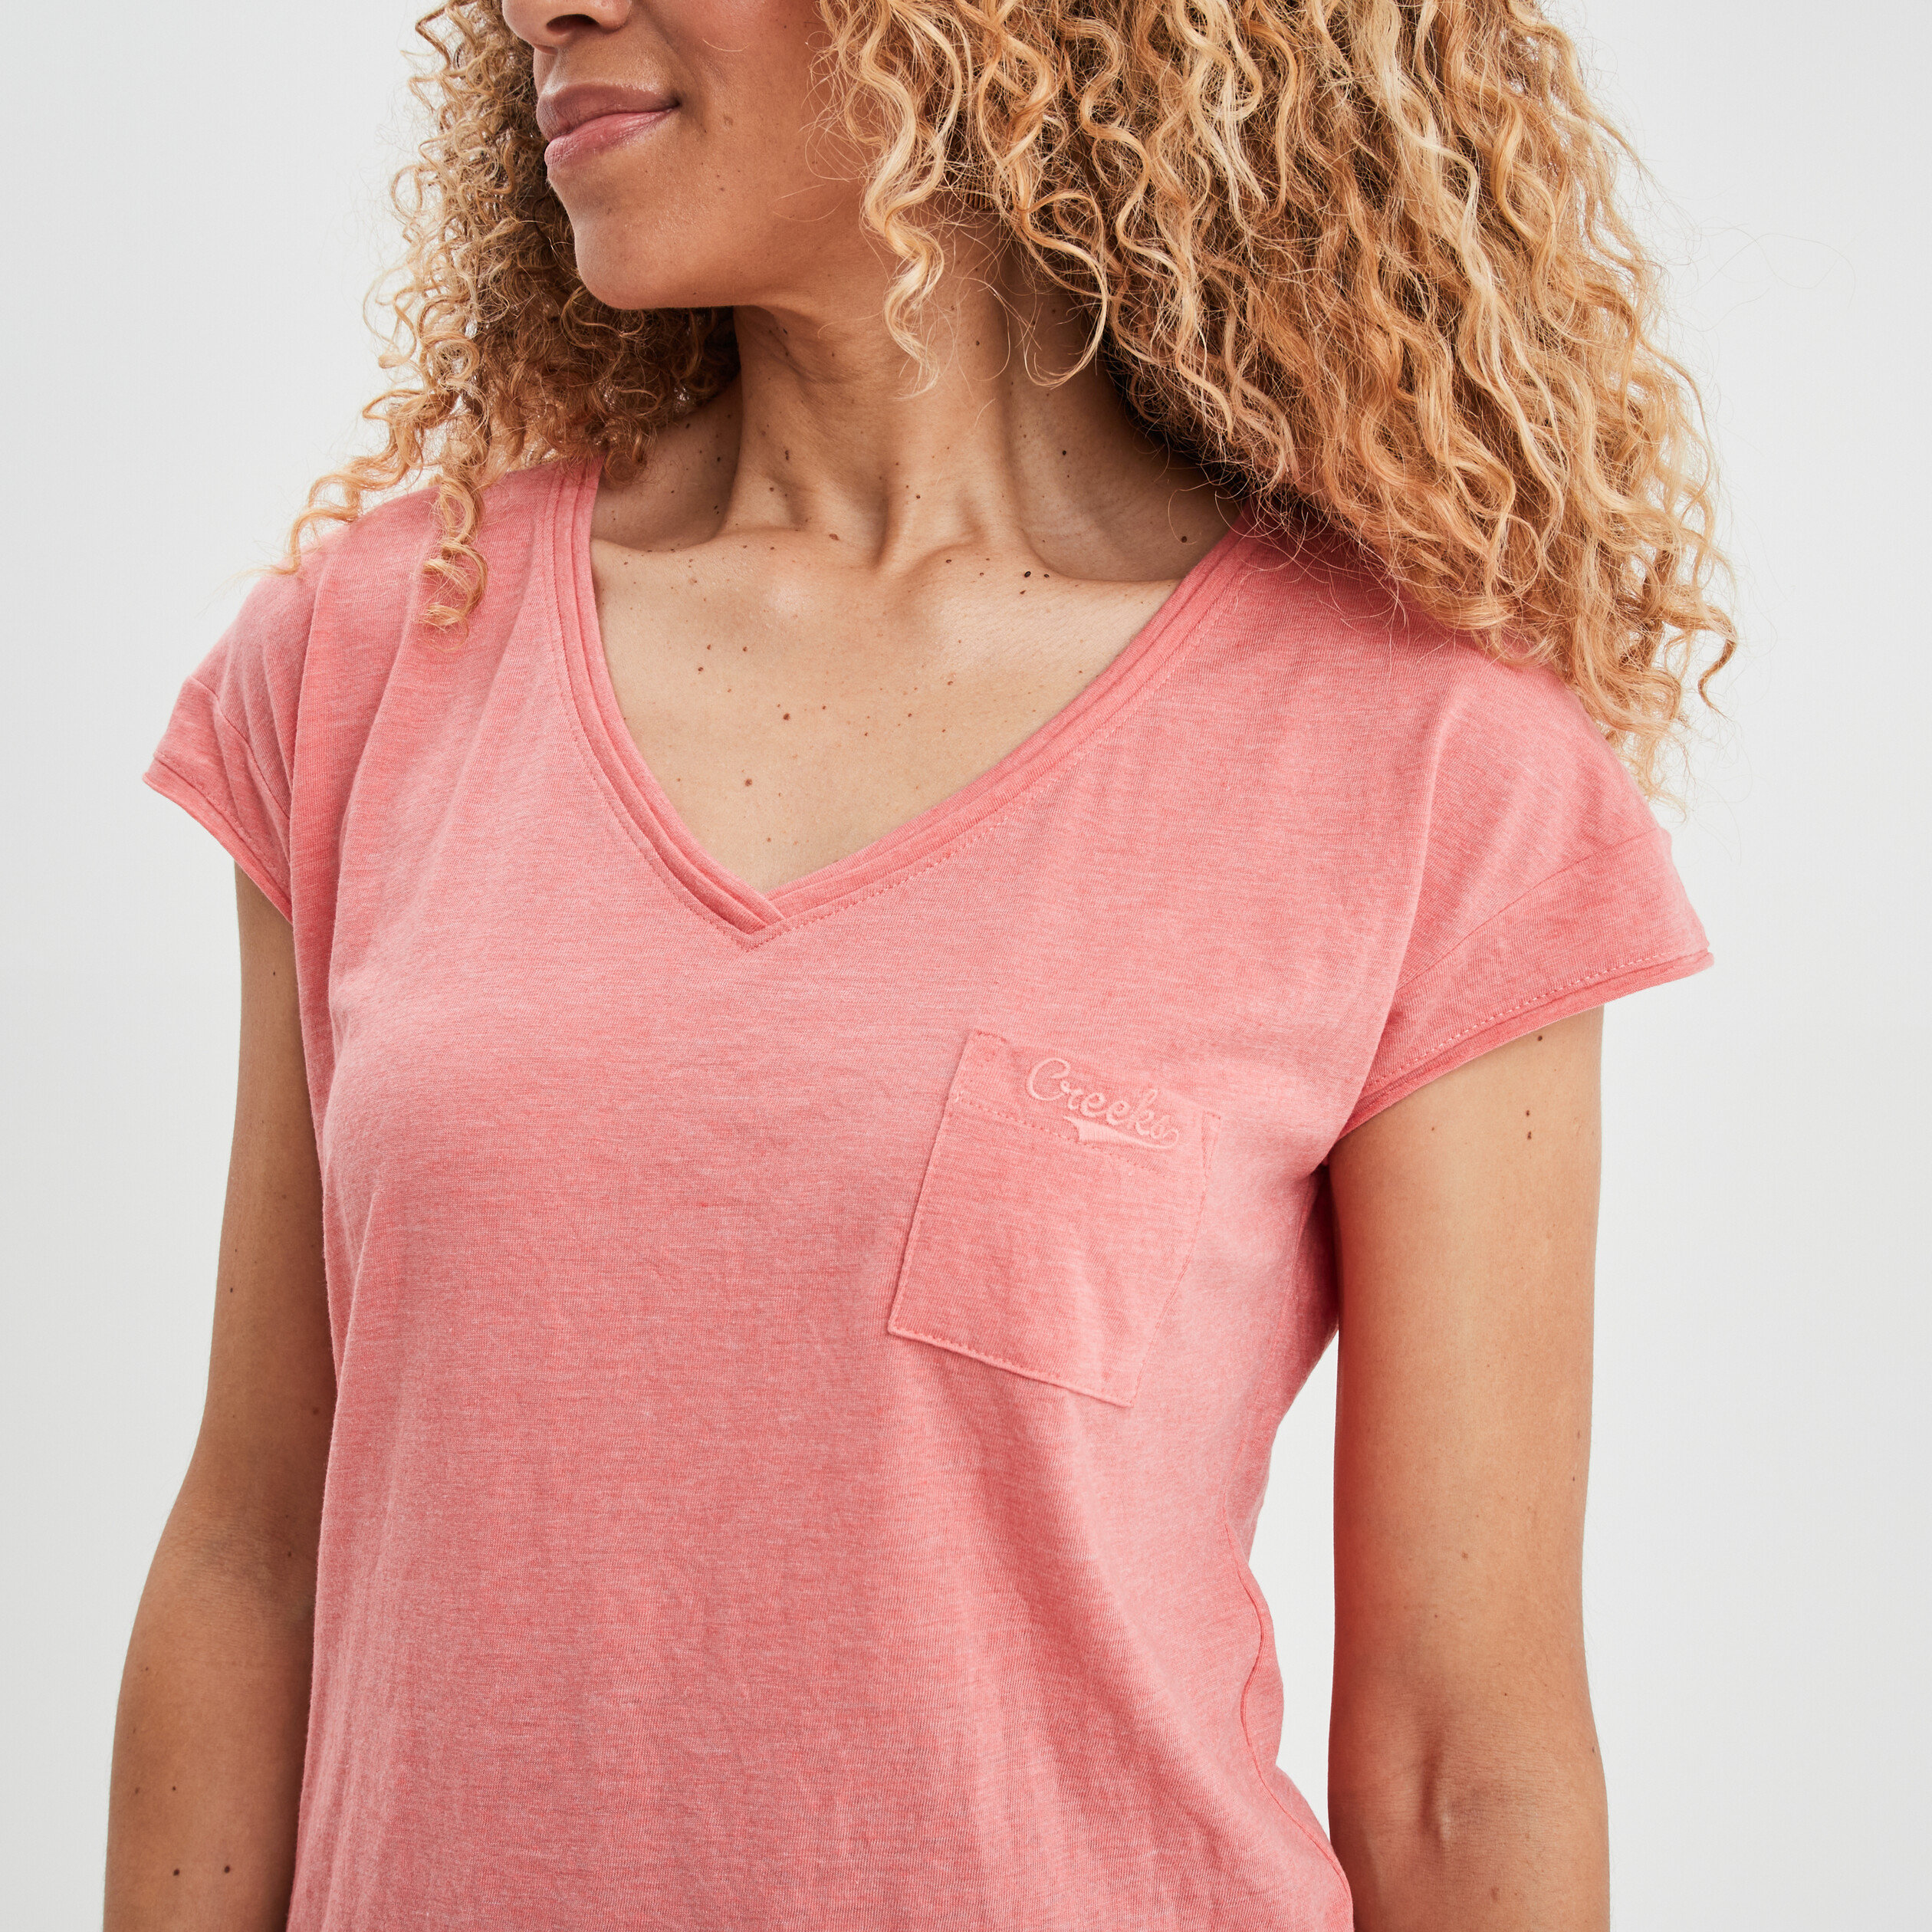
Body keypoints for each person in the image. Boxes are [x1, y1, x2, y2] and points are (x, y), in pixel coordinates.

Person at [106, 2, 1731, 1927]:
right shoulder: (382, 654)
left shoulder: (1422, 761)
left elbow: (1462, 1768)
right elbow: (254, 1556)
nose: (543, 8)